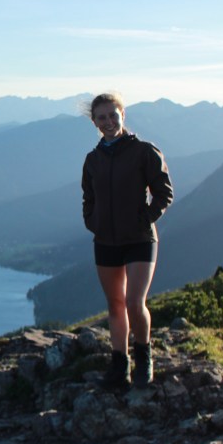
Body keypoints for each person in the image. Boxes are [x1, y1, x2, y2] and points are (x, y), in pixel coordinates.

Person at [81, 92, 173, 388]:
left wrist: (146, 217)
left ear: (123, 115)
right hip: (106, 240)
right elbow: (89, 197)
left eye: (113, 115)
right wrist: (93, 222)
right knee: (115, 305)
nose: (108, 122)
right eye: (102, 117)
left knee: (135, 302)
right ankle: (119, 363)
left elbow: (164, 192)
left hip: (140, 238)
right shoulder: (92, 160)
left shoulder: (145, 151)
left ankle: (144, 355)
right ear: (94, 121)